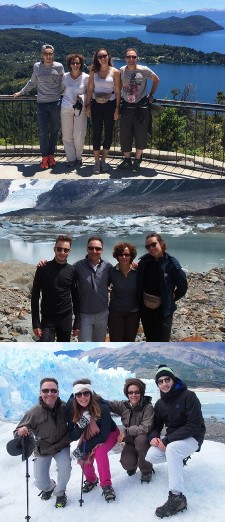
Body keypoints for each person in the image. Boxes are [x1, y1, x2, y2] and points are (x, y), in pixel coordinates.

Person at [146, 365, 206, 518]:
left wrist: (167, 440)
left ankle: (176, 497)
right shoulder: (160, 404)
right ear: (158, 385)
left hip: (193, 436)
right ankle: (179, 458)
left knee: (172, 450)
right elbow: (156, 427)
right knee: (151, 455)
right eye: (160, 381)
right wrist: (153, 437)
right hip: (174, 440)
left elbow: (194, 425)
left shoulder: (189, 396)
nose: (164, 384)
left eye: (167, 380)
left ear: (173, 380)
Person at [15, 377, 71, 508]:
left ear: (58, 392)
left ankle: (60, 493)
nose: (50, 394)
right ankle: (49, 487)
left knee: (65, 469)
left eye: (53, 390)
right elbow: (17, 431)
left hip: (61, 445)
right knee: (40, 482)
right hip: (43, 448)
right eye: (46, 390)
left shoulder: (64, 407)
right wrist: (21, 430)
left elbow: (78, 415)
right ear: (40, 392)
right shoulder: (34, 412)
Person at [66, 378, 119, 502]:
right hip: (88, 434)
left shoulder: (102, 408)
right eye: (79, 394)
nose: (83, 397)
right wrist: (81, 425)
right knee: (82, 457)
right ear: (75, 396)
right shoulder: (72, 408)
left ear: (91, 394)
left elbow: (104, 435)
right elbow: (72, 436)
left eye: (86, 393)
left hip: (110, 434)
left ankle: (106, 485)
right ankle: (92, 479)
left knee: (99, 452)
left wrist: (83, 446)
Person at [13, 44, 64, 169]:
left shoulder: (59, 67)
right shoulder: (37, 67)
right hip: (41, 104)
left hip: (55, 103)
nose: (48, 56)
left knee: (54, 131)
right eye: (46, 54)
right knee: (42, 132)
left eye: (50, 54)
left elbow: (63, 83)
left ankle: (51, 155)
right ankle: (45, 157)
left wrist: (65, 94)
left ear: (53, 54)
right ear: (42, 55)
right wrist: (20, 93)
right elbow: (32, 83)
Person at [137, 232, 187, 341]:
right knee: (150, 339)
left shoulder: (171, 263)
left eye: (154, 244)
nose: (151, 248)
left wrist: (171, 297)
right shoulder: (144, 262)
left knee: (162, 342)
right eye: (148, 246)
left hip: (164, 311)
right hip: (146, 310)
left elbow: (183, 286)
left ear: (161, 244)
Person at [117, 47, 160, 173]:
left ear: (137, 58)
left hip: (141, 108)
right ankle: (126, 160)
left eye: (133, 57)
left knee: (141, 135)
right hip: (126, 107)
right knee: (125, 134)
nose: (131, 59)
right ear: (125, 58)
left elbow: (156, 79)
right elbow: (118, 86)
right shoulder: (122, 70)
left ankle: (137, 161)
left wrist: (151, 95)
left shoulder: (144, 70)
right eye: (128, 57)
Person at [31, 234, 79, 342]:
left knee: (63, 350)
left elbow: (76, 297)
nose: (62, 253)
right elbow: (35, 296)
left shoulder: (72, 271)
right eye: (59, 249)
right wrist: (36, 323)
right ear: (54, 249)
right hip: (48, 318)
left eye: (65, 250)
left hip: (66, 318)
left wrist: (77, 323)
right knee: (46, 349)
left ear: (69, 251)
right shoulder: (43, 268)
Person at [107, 378, 154, 483]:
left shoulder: (148, 407)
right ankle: (134, 462)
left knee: (141, 441)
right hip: (130, 442)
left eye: (137, 392)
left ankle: (146, 469)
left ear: (141, 393)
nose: (134, 395)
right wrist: (93, 398)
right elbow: (109, 404)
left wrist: (126, 432)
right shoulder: (124, 406)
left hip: (143, 440)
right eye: (130, 392)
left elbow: (145, 428)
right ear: (127, 394)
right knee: (127, 463)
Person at [85, 48, 121, 174]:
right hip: (95, 105)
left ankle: (103, 160)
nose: (102, 58)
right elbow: (90, 89)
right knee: (96, 133)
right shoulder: (93, 71)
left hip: (110, 105)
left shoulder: (115, 72)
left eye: (104, 55)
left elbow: (117, 91)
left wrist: (117, 109)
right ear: (97, 58)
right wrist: (87, 105)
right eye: (100, 56)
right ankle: (96, 162)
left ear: (108, 56)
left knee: (109, 133)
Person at [74, 236, 112, 341]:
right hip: (85, 315)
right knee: (85, 346)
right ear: (87, 249)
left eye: (98, 248)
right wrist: (45, 264)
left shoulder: (108, 266)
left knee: (99, 345)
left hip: (103, 314)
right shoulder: (78, 266)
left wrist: (132, 265)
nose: (94, 251)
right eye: (91, 248)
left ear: (102, 250)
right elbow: (63, 271)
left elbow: (121, 273)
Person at [61, 53, 89, 168]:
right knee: (67, 135)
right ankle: (71, 159)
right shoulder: (65, 77)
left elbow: (91, 92)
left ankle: (79, 157)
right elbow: (59, 89)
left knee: (79, 135)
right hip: (66, 108)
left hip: (80, 109)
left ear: (81, 64)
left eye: (78, 63)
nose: (76, 64)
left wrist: (83, 97)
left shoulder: (86, 78)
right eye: (73, 63)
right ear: (70, 64)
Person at [108, 242, 140, 341]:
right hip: (116, 313)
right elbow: (102, 285)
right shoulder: (112, 271)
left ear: (131, 256)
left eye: (127, 254)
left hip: (133, 313)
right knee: (116, 342)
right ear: (117, 256)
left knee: (129, 342)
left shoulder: (138, 272)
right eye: (121, 254)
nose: (124, 257)